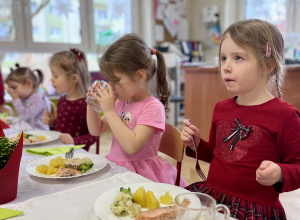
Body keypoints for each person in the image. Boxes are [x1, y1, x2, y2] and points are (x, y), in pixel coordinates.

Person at [181, 19, 300, 219]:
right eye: (223, 58)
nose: (226, 67)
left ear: (267, 65)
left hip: (254, 210)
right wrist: (195, 143)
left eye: (238, 58)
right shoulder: (221, 108)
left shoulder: (286, 116)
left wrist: (279, 173)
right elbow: (217, 155)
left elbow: (297, 166)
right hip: (214, 200)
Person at [87, 33, 187, 187]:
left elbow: (132, 146)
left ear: (140, 75)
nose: (111, 85)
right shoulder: (122, 102)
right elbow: (96, 129)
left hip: (141, 176)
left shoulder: (153, 107)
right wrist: (92, 105)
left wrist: (109, 112)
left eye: (116, 79)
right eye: (109, 79)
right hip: (118, 169)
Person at [43, 48, 98, 151]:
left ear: (73, 78)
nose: (51, 79)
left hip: (76, 155)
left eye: (55, 76)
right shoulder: (62, 100)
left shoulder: (85, 105)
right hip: (57, 150)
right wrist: (51, 124)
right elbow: (60, 129)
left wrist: (73, 140)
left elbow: (94, 135)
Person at [5, 64, 51, 130]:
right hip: (30, 130)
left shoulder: (37, 98)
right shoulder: (26, 97)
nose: (13, 92)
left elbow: (25, 116)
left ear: (29, 83)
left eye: (14, 88)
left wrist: (16, 100)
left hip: (40, 132)